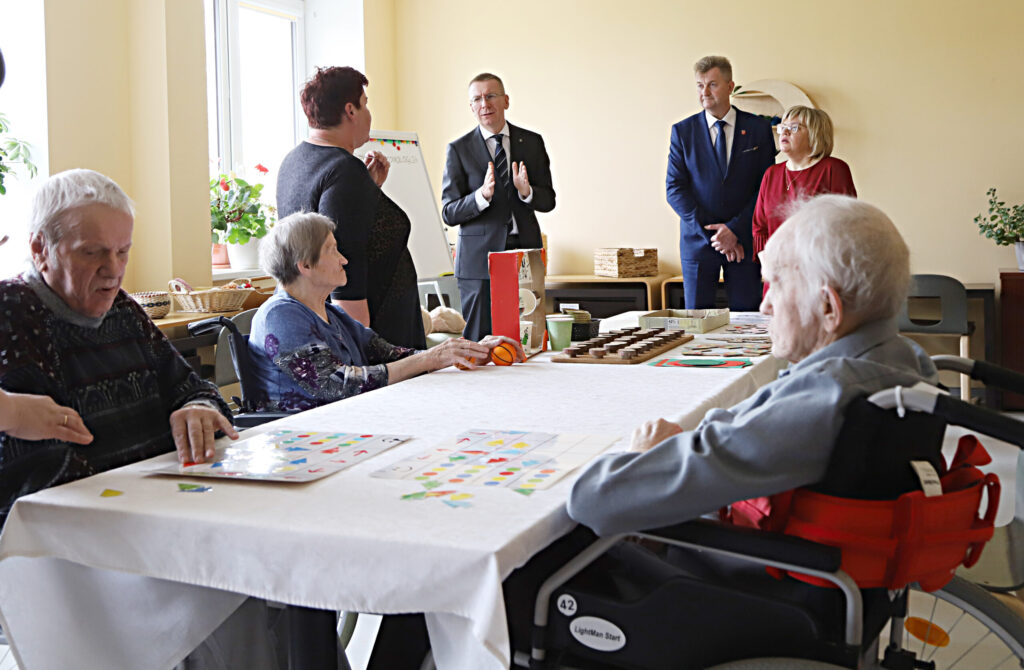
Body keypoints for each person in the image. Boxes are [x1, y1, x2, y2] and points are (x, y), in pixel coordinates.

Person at [568, 194, 937, 535]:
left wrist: (642, 454)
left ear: (827, 307)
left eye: (775, 285)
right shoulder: (910, 362)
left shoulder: (823, 399)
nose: (765, 306)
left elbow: (595, 500)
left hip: (742, 573)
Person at [0, 169, 237, 523]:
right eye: (91, 252)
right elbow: (40, 470)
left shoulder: (121, 308)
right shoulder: (12, 312)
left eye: (123, 252)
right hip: (77, 531)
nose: (113, 270)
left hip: (157, 512)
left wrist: (198, 409)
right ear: (40, 249)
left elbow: (194, 390)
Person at [248, 211, 525, 412]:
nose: (344, 259)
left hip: (346, 422)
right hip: (304, 436)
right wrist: (432, 357)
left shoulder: (333, 315)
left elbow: (394, 355)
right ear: (305, 265)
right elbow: (337, 385)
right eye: (332, 250)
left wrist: (468, 350)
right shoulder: (280, 316)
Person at [277, 66, 425, 350]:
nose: (368, 113)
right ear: (350, 110)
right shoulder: (344, 171)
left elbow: (339, 226)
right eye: (364, 104)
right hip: (376, 338)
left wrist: (368, 190)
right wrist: (359, 349)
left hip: (320, 322)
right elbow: (344, 267)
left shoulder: (293, 162)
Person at [441, 72, 556, 340]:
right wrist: (481, 196)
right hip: (478, 262)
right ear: (471, 106)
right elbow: (449, 212)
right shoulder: (458, 149)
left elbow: (548, 200)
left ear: (506, 100)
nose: (485, 104)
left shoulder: (532, 142)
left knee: (527, 338)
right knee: (479, 343)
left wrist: (527, 192)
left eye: (491, 96)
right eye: (477, 99)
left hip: (524, 254)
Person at [667, 55, 775, 311]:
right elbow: (675, 189)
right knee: (697, 322)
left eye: (712, 85)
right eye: (699, 85)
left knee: (747, 321)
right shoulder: (683, 131)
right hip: (698, 242)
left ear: (730, 87)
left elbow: (765, 189)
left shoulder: (758, 128)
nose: (704, 92)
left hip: (743, 242)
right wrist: (716, 236)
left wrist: (734, 231)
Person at [752, 106, 856, 265]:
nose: (785, 132)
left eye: (794, 128)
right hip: (778, 270)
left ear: (815, 135)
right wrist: (768, 264)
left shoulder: (833, 169)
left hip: (820, 270)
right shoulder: (771, 173)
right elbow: (760, 227)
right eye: (783, 127)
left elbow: (845, 225)